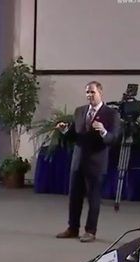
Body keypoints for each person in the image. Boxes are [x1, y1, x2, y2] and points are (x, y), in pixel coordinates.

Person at [54, 82, 121, 242]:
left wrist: (104, 131)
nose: (89, 95)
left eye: (92, 92)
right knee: (74, 197)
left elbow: (113, 138)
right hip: (78, 161)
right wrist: (65, 130)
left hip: (96, 162)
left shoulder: (111, 114)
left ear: (100, 93)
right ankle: (72, 228)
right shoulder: (80, 111)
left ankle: (90, 231)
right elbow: (75, 136)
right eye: (87, 92)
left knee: (93, 198)